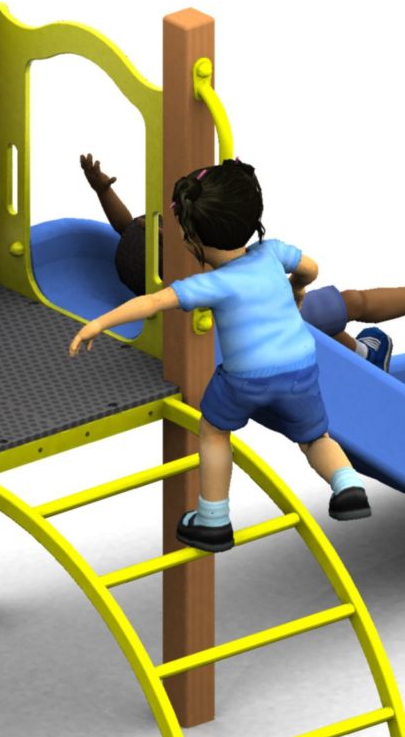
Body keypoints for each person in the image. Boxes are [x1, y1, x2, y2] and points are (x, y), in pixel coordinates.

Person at [66, 158, 372, 548]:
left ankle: (213, 518)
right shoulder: (274, 253)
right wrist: (297, 287)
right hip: (300, 368)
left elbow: (153, 302)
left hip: (244, 379)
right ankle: (346, 484)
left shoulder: (210, 284)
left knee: (213, 431)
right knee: (314, 439)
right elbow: (312, 268)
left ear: (192, 239)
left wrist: (98, 323)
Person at [79, 151, 405, 369]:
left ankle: (367, 356)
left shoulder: (182, 280)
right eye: (168, 226)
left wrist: (102, 191)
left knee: (330, 328)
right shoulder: (207, 273)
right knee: (352, 303)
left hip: (267, 328)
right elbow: (307, 270)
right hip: (282, 319)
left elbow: (126, 226)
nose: (169, 220)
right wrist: (297, 286)